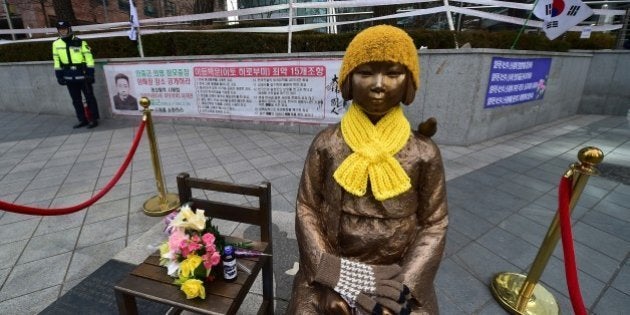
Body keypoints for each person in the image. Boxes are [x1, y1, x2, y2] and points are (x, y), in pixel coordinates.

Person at [286, 25, 448, 315]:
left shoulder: (423, 152)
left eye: (393, 73)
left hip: (398, 274)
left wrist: (403, 290)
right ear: (348, 80)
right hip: (332, 267)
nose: (378, 84)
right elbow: (306, 208)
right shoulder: (327, 143)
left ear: (409, 81)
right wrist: (328, 280)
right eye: (365, 72)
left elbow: (434, 223)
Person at [52, 20, 100, 128]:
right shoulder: (56, 44)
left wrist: (90, 74)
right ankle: (82, 119)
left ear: (69, 29)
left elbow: (89, 59)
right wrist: (59, 76)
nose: (63, 31)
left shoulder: (80, 42)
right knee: (76, 100)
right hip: (68, 75)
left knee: (89, 98)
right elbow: (56, 61)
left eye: (64, 29)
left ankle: (93, 119)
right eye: (60, 30)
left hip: (82, 75)